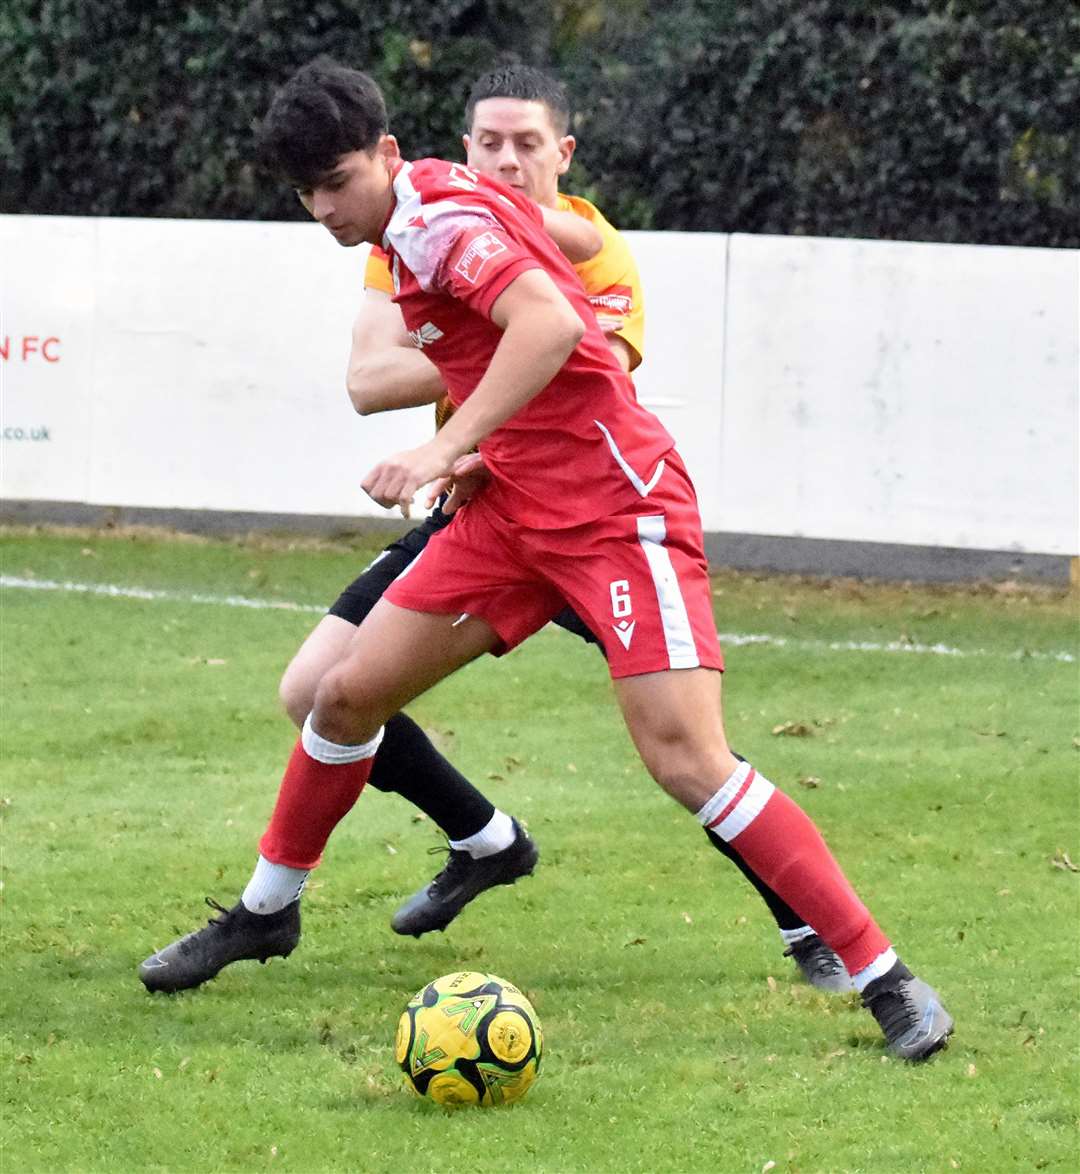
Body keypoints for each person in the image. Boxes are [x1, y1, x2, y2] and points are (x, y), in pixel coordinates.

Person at [140, 59, 953, 1062]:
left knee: (685, 758)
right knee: (342, 698)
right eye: (307, 192)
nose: (324, 208)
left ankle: (887, 978)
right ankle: (268, 912)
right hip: (508, 513)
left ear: (387, 155)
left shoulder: (438, 219)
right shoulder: (424, 205)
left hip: (617, 509)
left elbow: (553, 321)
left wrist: (441, 446)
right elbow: (533, 288)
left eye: (338, 182)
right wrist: (484, 447)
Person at [278, 64, 851, 990]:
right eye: (488, 142)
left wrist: (484, 335)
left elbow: (578, 359)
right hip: (476, 503)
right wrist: (478, 343)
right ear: (456, 150)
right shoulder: (412, 226)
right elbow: (364, 381)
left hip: (589, 517)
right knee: (316, 692)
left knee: (686, 745)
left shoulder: (594, 252)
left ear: (562, 153)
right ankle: (485, 840)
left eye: (527, 143)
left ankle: (807, 924)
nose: (505, 158)